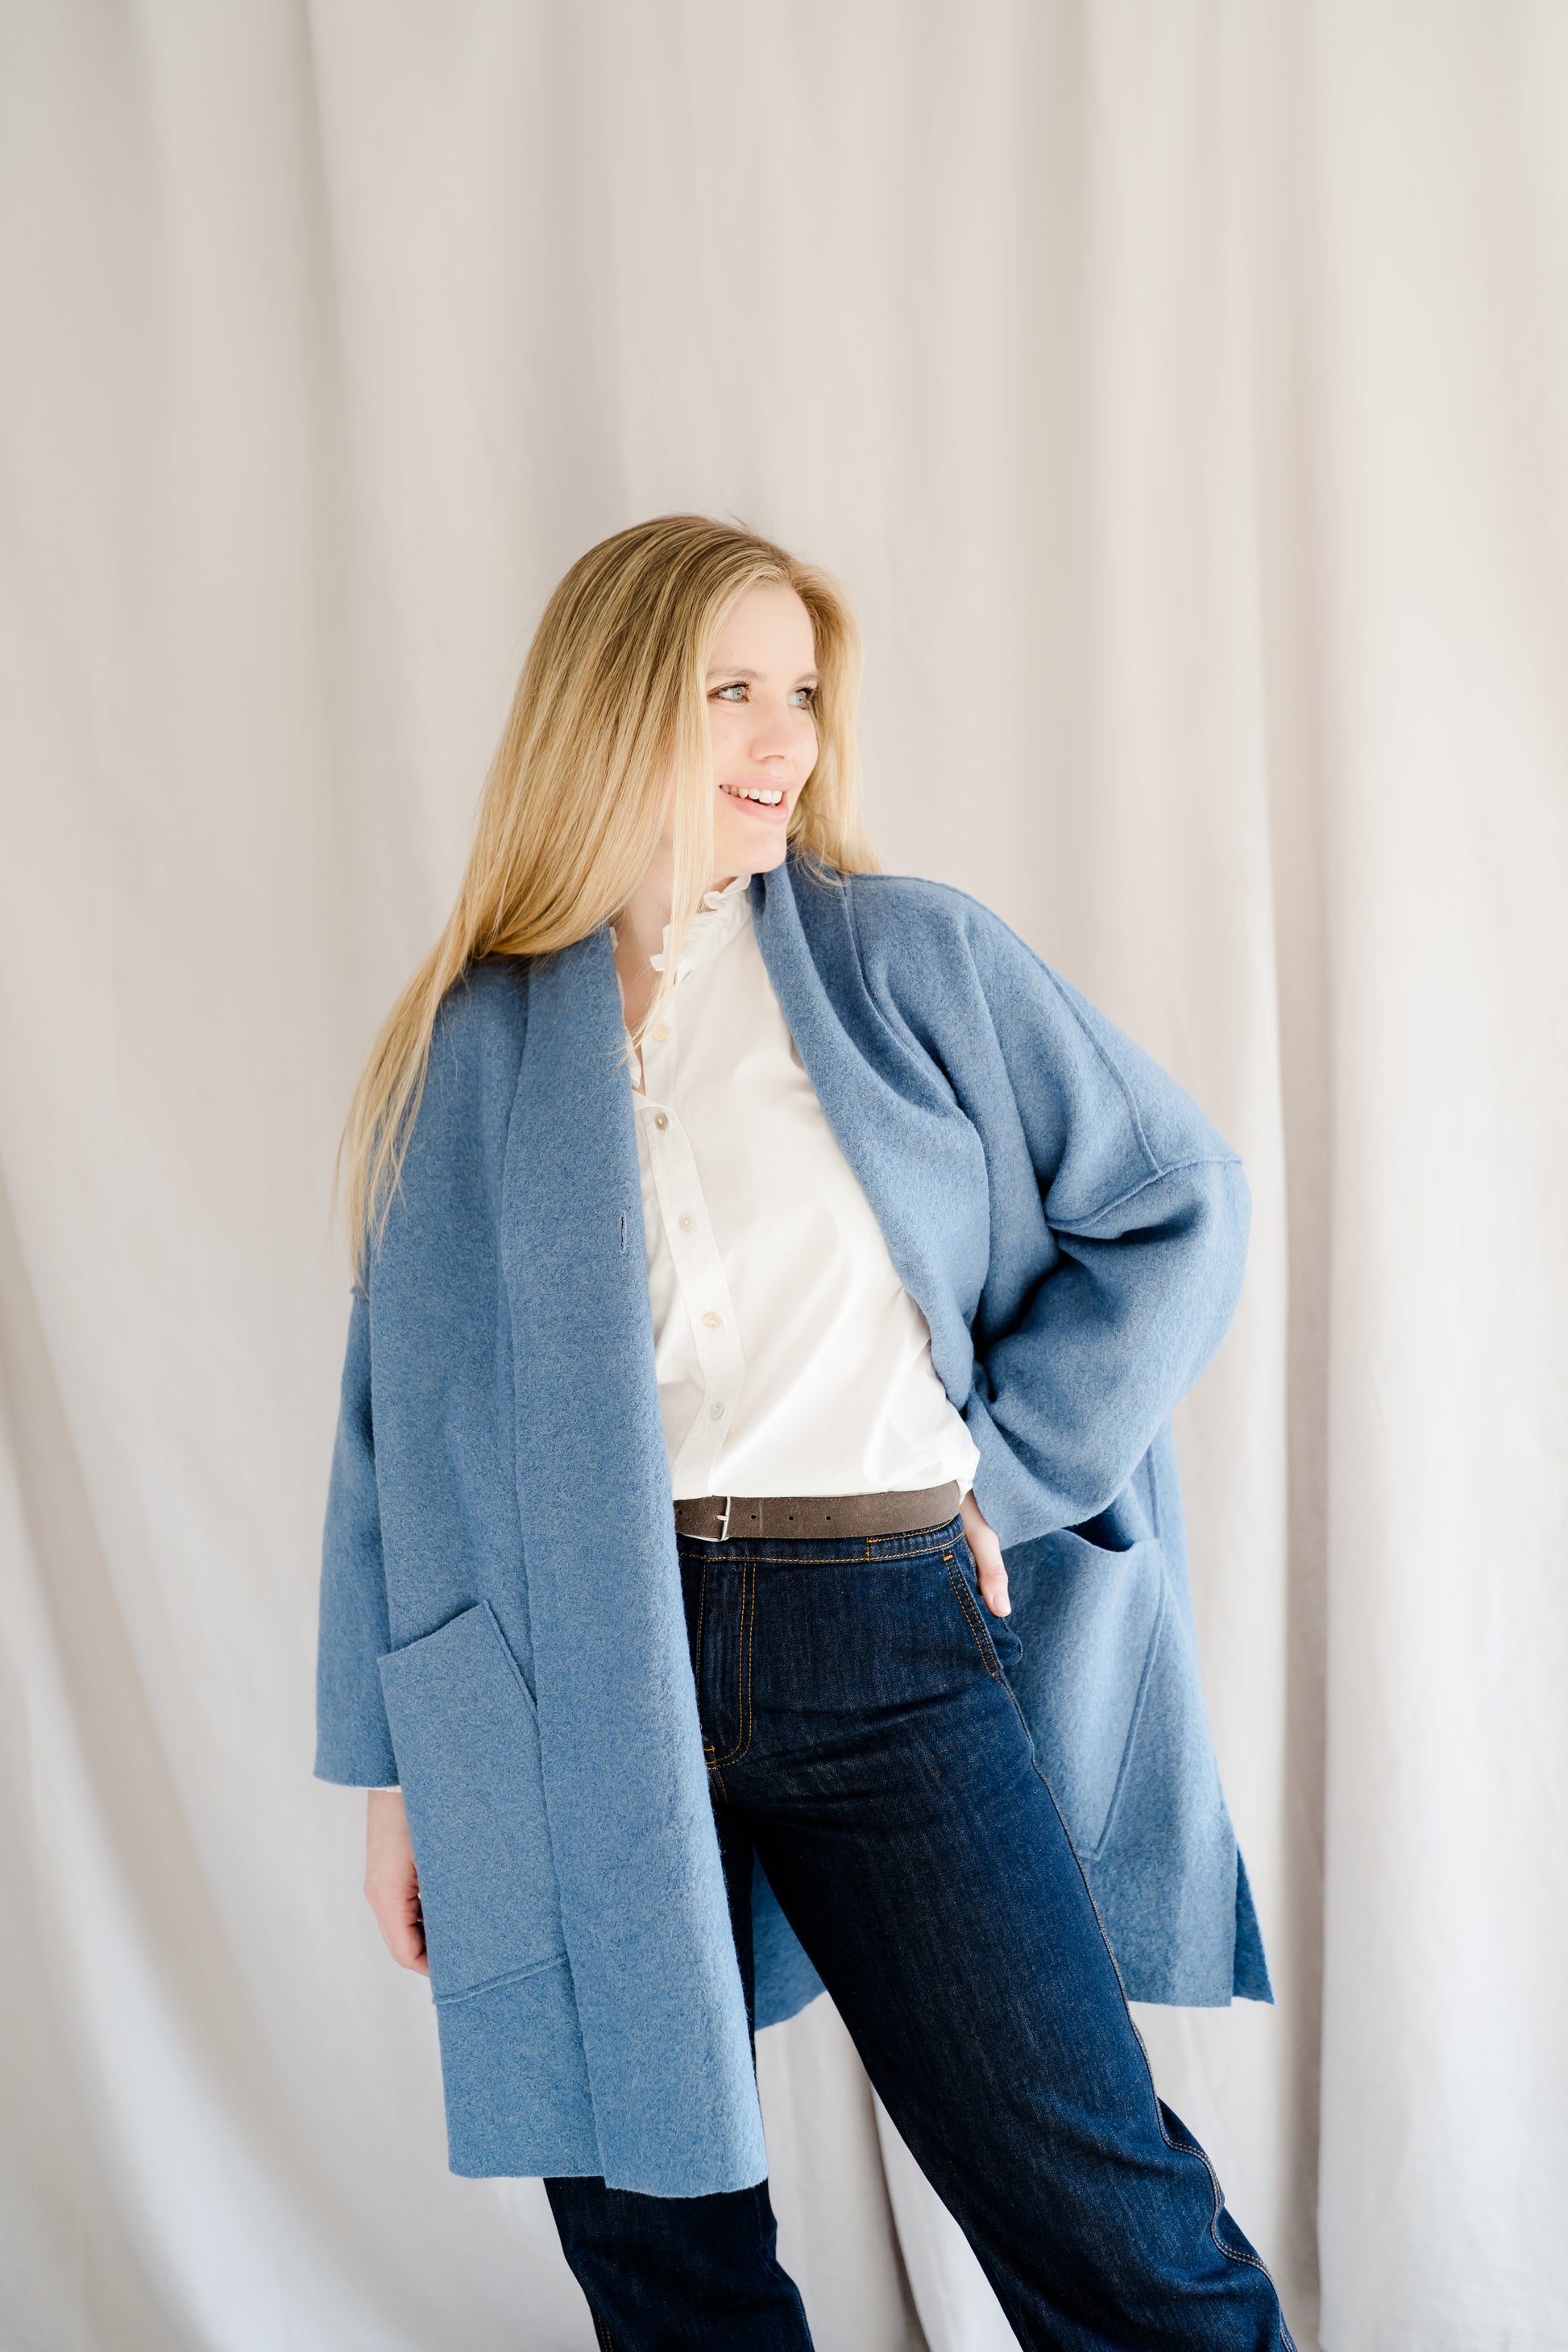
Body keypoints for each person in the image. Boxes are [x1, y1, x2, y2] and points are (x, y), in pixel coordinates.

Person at [316, 514, 1293, 2350]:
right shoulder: (478, 1038)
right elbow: (398, 1438)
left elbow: (1178, 1206)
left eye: (804, 694)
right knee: (658, 2249)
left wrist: (1010, 1470)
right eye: (731, 693)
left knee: (1099, 2206)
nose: (786, 740)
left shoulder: (905, 957)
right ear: (611, 709)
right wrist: (399, 1778)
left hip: (888, 1633)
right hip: (577, 1672)